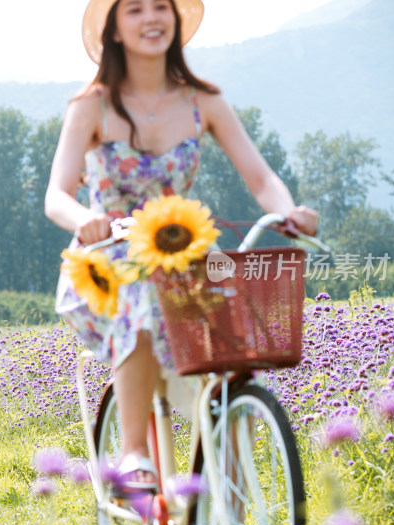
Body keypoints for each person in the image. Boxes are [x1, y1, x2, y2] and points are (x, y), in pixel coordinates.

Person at [45, 0, 318, 495]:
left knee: (239, 331)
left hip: (180, 258)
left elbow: (260, 176)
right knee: (145, 298)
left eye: (161, 7)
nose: (152, 18)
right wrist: (87, 220)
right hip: (107, 264)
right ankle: (133, 451)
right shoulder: (92, 105)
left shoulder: (203, 101)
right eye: (135, 9)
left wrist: (288, 210)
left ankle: (224, 479)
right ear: (114, 30)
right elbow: (56, 195)